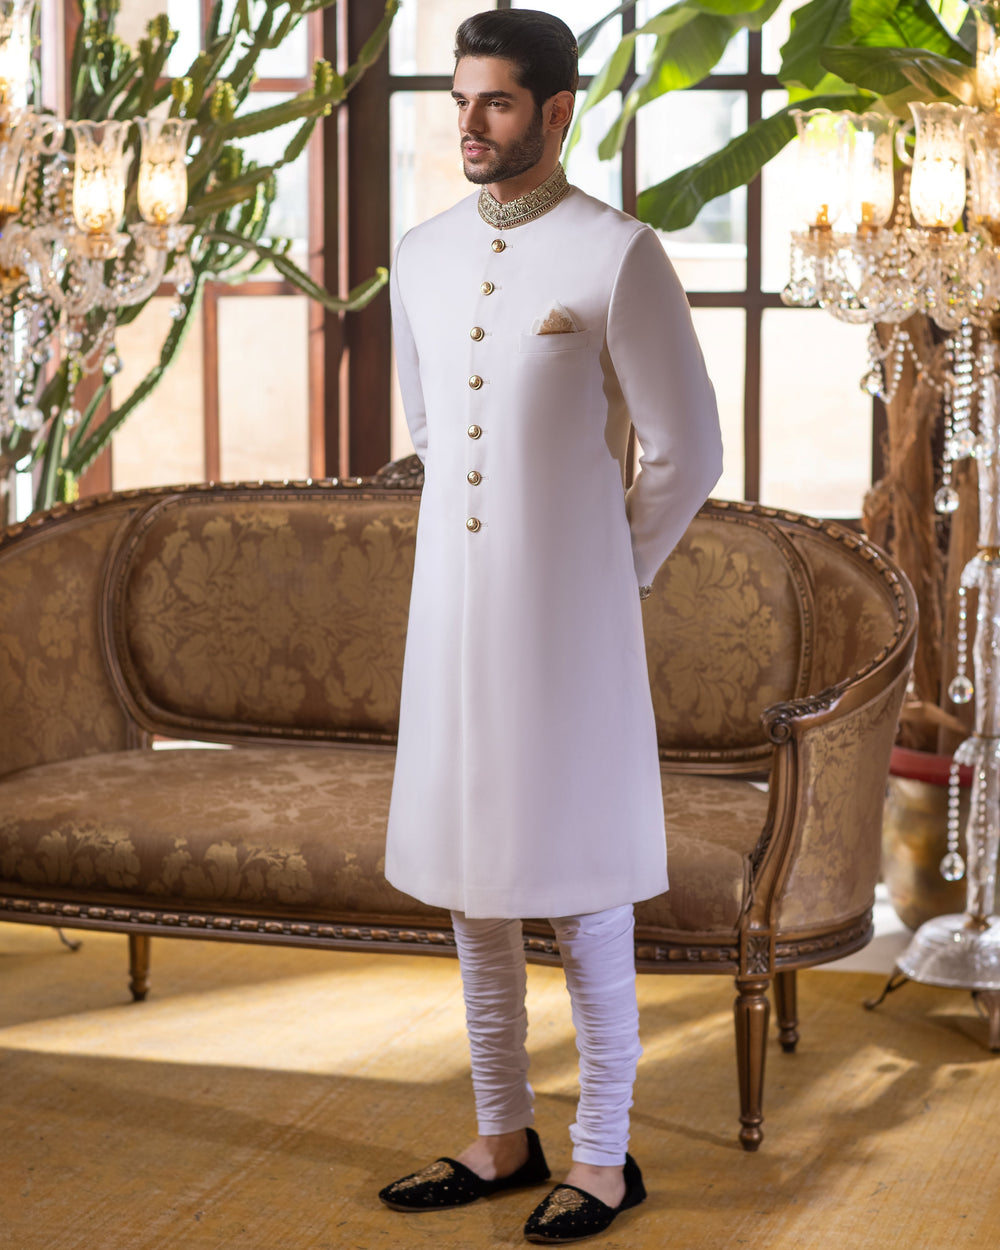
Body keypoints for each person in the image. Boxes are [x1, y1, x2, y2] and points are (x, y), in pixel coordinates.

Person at [379, 9, 722, 1244]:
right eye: (461, 101)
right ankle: (501, 1129)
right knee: (475, 886)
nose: (469, 125)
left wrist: (601, 576)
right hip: (455, 623)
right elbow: (430, 430)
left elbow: (689, 450)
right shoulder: (416, 253)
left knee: (581, 890)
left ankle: (602, 1153)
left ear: (557, 113)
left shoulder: (617, 254)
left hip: (573, 633)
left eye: (498, 105)